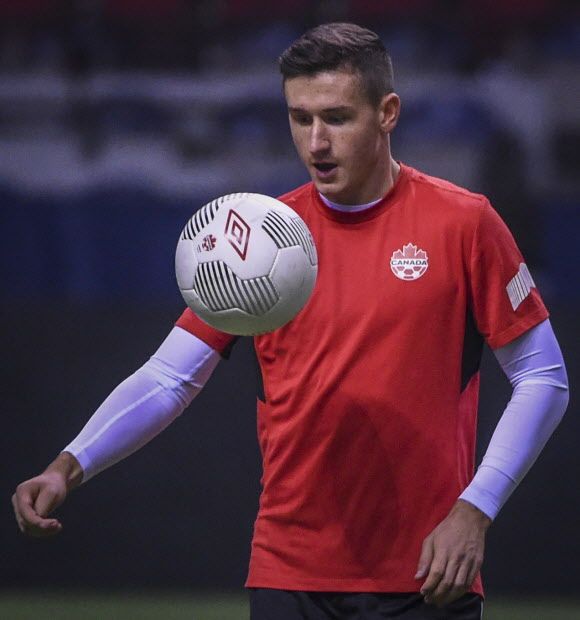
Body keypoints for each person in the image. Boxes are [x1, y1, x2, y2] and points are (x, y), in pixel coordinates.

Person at [12, 23, 569, 620]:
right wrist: (69, 466)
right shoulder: (255, 238)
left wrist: (475, 508)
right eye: (299, 118)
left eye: (336, 117)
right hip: (290, 576)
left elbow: (544, 379)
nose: (316, 141)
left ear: (388, 113)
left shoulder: (465, 224)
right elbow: (169, 378)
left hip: (428, 573)